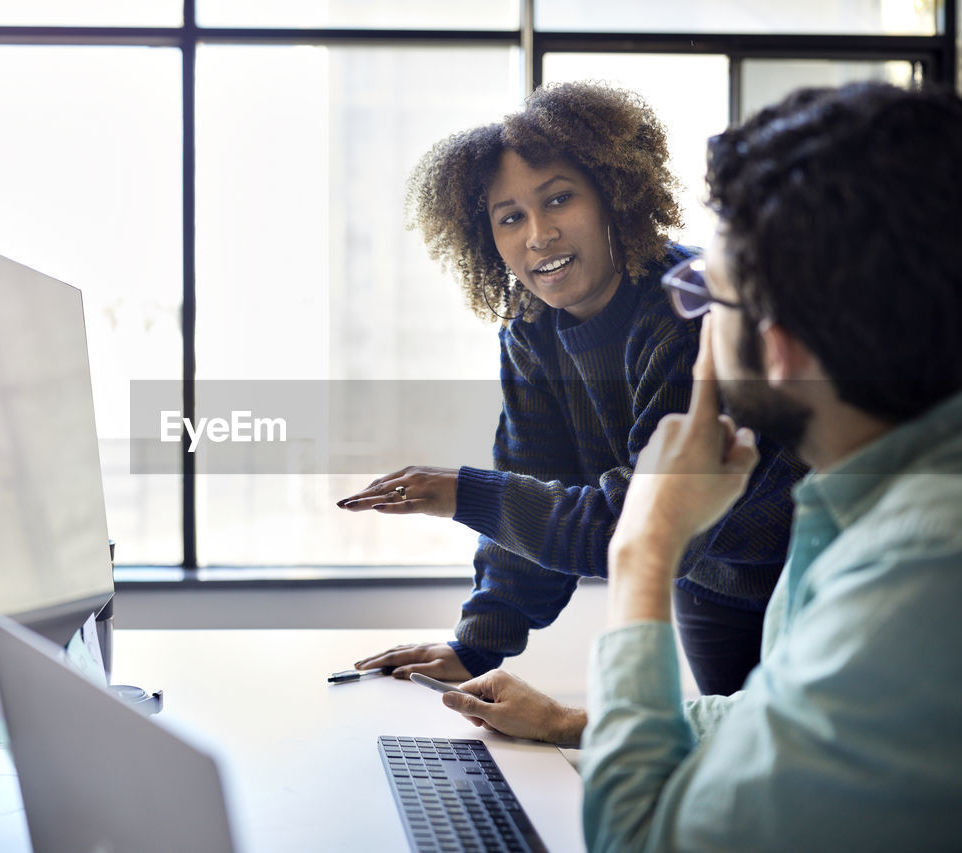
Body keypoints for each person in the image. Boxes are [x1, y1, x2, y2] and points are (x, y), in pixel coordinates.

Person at [439, 81, 962, 848]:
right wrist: (554, 708)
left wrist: (647, 549)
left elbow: (644, 836)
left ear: (776, 345)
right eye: (511, 215)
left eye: (710, 295)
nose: (698, 312)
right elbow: (776, 715)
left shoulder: (913, 568)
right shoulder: (869, 516)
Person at [338, 81, 806, 695]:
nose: (538, 234)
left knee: (800, 766)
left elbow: (641, 523)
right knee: (737, 765)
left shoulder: (688, 311)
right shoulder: (531, 333)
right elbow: (533, 484)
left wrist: (463, 494)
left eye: (558, 200)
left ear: (615, 198)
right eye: (510, 218)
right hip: (714, 582)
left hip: (808, 565)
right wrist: (475, 645)